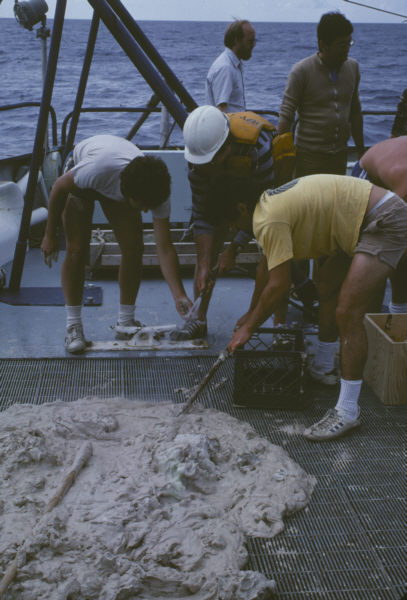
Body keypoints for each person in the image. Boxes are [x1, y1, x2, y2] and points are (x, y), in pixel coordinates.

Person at [220, 174, 407, 441]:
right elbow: (267, 269)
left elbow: (279, 286)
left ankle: (348, 410)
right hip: (353, 224)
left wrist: (248, 328)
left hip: (383, 220)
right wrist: (251, 313)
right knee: (327, 290)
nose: (232, 230)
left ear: (241, 209)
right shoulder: (268, 206)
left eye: (231, 224)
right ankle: (323, 365)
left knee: (348, 312)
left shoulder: (268, 219)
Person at [41, 134, 192, 353]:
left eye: (150, 207)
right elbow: (58, 188)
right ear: (128, 194)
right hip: (86, 170)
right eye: (142, 206)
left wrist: (178, 294)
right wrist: (49, 234)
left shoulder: (157, 192)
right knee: (77, 250)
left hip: (119, 175)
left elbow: (164, 247)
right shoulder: (95, 172)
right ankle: (73, 325)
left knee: (134, 248)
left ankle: (125, 321)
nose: (145, 211)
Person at [172, 105, 297, 341]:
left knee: (275, 258)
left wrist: (234, 248)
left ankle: (280, 325)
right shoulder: (197, 161)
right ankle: (198, 319)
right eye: (204, 163)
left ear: (226, 147)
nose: (207, 166)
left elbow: (263, 210)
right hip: (228, 192)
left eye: (213, 160)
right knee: (205, 263)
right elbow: (203, 214)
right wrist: (206, 260)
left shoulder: (258, 148)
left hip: (265, 194)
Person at [278, 11, 365, 178]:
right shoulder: (301, 71)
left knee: (335, 202)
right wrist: (282, 160)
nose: (347, 49)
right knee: (309, 203)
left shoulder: (353, 68)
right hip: (308, 158)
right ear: (323, 45)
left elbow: (355, 111)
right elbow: (286, 116)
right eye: (341, 45)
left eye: (349, 43)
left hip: (340, 155)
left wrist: (361, 151)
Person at [352, 135, 407, 314]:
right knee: (381, 248)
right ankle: (371, 314)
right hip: (367, 176)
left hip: (392, 170)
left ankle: (399, 309)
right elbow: (392, 223)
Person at [206, 20, 256, 113]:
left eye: (254, 41)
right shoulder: (226, 68)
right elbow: (220, 111)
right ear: (237, 40)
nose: (253, 45)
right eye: (250, 41)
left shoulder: (234, 65)